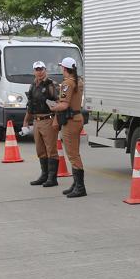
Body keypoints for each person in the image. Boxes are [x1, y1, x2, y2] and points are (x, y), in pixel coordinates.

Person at [51, 57, 86, 198]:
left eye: (62, 68)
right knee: (74, 152)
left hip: (70, 121)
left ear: (65, 69)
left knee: (72, 154)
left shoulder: (67, 84)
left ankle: (80, 186)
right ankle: (76, 184)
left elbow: (64, 105)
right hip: (77, 118)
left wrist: (53, 106)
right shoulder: (78, 81)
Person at [22, 61, 59, 187]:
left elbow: (58, 103)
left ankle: (52, 178)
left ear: (45, 69)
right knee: (40, 150)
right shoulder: (33, 85)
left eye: (41, 69)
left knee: (51, 150)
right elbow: (30, 105)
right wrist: (26, 120)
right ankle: (44, 175)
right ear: (34, 71)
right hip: (36, 121)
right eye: (37, 69)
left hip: (48, 119)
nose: (39, 71)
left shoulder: (51, 85)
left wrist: (56, 120)